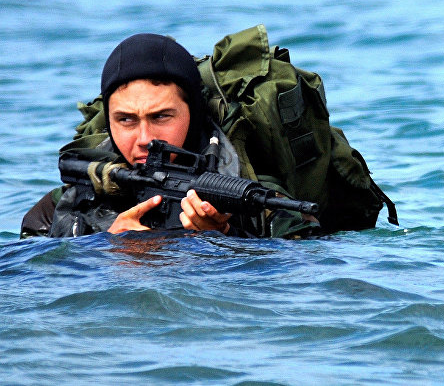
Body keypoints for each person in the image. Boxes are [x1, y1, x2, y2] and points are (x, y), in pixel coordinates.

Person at [20, 33, 318, 238]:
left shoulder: (253, 197)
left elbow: (299, 275)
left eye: (161, 116)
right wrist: (107, 246)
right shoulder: (68, 201)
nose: (145, 139)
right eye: (125, 120)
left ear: (195, 113)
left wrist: (222, 240)